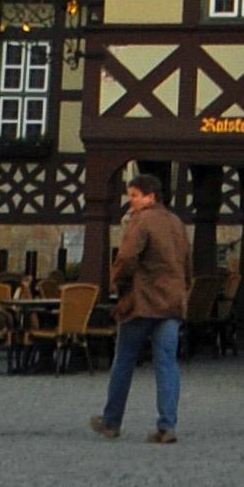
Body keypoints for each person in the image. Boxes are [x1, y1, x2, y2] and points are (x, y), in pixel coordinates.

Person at [89, 170, 189, 444]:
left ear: (149, 197)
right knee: (167, 363)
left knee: (124, 360)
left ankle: (111, 421)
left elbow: (127, 257)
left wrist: (118, 284)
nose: (130, 200)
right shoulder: (176, 222)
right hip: (172, 302)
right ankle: (167, 425)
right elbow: (186, 260)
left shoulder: (141, 221)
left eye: (134, 195)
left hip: (143, 301)